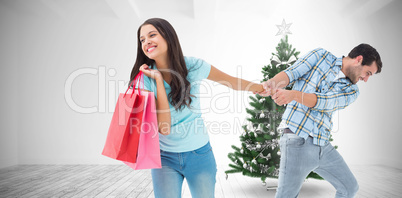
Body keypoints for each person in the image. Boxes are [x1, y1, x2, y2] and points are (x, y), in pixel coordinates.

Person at [129, 18, 264, 198]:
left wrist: (264, 88)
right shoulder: (145, 78)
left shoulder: (193, 66)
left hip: (199, 154)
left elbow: (232, 82)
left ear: (168, 37)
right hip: (164, 158)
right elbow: (164, 128)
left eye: (152, 35)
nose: (146, 42)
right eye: (142, 40)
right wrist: (158, 82)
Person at [259, 44, 382, 198]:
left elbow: (325, 102)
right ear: (359, 60)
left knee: (350, 188)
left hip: (323, 146)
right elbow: (291, 73)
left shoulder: (352, 90)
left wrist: (294, 95)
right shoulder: (320, 56)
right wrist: (272, 83)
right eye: (368, 73)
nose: (366, 79)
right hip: (297, 140)